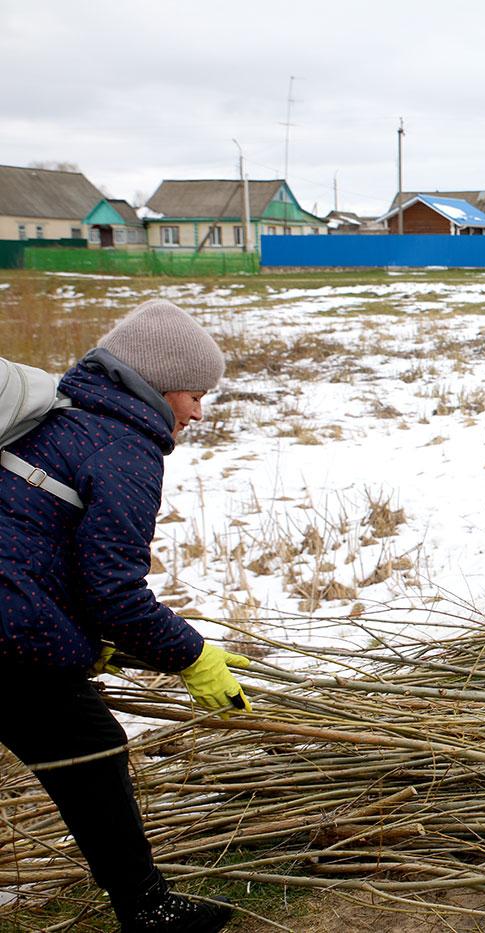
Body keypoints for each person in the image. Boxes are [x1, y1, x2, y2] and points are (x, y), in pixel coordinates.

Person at [0, 299, 247, 932]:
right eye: (195, 395)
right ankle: (147, 909)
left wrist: (85, 639)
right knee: (90, 746)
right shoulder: (123, 448)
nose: (198, 412)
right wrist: (192, 656)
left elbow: (37, 545)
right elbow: (114, 590)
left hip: (15, 618)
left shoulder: (66, 417)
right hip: (10, 635)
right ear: (158, 385)